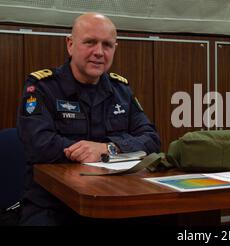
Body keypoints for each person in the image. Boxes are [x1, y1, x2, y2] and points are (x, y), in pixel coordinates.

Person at [16, 12, 161, 225]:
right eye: (90, 42)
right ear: (70, 44)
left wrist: (107, 149)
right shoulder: (42, 87)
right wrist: (86, 152)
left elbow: (151, 139)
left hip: (115, 197)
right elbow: (39, 144)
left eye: (107, 45)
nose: (99, 52)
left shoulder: (121, 90)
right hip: (53, 203)